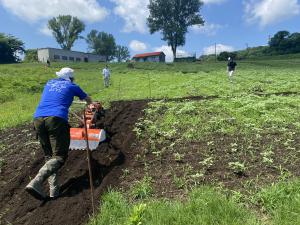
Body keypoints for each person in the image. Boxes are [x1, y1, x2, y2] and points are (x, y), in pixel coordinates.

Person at [25, 67, 92, 200]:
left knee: (49, 156)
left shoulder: (49, 83)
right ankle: (36, 182)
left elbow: (55, 97)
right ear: (71, 78)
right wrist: (90, 103)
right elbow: (87, 98)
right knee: (60, 157)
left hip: (38, 119)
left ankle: (54, 191)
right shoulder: (73, 86)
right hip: (55, 119)